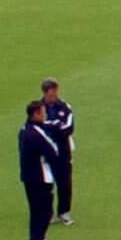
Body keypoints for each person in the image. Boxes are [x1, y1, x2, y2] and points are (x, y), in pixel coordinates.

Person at [19, 99, 61, 240]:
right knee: (43, 211)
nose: (45, 115)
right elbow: (53, 151)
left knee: (37, 210)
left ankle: (39, 239)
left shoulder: (24, 130)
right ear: (35, 114)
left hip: (29, 176)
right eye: (43, 113)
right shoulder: (36, 134)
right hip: (39, 177)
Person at [40, 79, 77, 226]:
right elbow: (38, 127)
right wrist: (55, 125)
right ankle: (48, 213)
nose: (54, 95)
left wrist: (51, 127)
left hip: (63, 150)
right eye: (51, 93)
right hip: (45, 152)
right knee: (46, 184)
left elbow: (68, 128)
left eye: (55, 92)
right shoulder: (38, 108)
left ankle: (64, 212)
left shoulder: (65, 107)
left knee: (65, 183)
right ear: (45, 93)